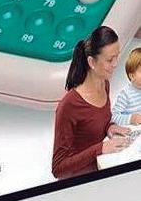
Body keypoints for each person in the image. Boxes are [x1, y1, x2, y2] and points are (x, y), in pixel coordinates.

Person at [52, 26, 131, 179]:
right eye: (110, 60)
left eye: (117, 56)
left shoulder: (104, 84)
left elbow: (94, 125)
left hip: (104, 167)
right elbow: (58, 168)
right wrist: (100, 148)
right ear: (92, 62)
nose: (116, 64)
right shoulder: (69, 106)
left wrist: (109, 127)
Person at [111, 48, 141, 126]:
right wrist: (131, 119)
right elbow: (113, 117)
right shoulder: (125, 94)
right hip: (131, 129)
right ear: (132, 76)